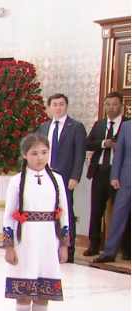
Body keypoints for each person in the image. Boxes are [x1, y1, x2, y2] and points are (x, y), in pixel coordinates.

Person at [2, 133, 70, 311]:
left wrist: (64, 244)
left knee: (43, 292)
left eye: (44, 153)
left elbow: (64, 214)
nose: (40, 158)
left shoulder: (57, 180)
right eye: (34, 153)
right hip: (26, 241)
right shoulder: (17, 181)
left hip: (48, 241)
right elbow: (9, 215)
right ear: (25, 155)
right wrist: (9, 245)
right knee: (25, 292)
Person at [38, 94, 87, 263]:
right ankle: (49, 248)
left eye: (61, 104)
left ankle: (68, 250)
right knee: (46, 211)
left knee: (65, 212)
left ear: (66, 106)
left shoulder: (76, 127)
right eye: (55, 104)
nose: (58, 107)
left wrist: (75, 177)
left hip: (65, 177)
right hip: (46, 175)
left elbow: (80, 154)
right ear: (49, 107)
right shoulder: (44, 127)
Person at [85, 92, 130, 259]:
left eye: (115, 104)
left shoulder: (126, 124)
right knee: (98, 211)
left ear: (122, 106)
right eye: (108, 104)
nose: (111, 108)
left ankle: (126, 249)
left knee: (124, 214)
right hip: (103, 173)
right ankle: (97, 246)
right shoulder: (101, 124)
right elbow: (87, 144)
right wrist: (104, 144)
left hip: (120, 175)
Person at [95, 120, 131, 264]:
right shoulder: (127, 127)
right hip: (126, 180)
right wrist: (114, 176)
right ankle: (109, 253)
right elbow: (119, 153)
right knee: (118, 217)